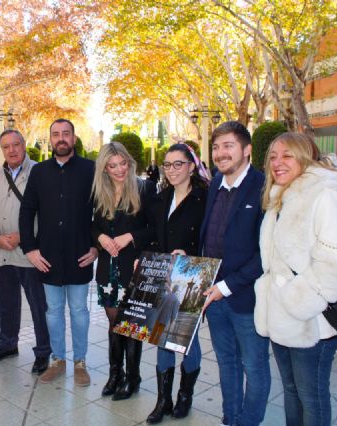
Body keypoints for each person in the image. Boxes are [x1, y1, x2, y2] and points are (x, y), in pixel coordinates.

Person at [254, 132, 337, 425]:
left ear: (305, 156)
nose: (277, 162)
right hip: (282, 315)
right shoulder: (280, 195)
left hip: (313, 320)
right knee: (291, 391)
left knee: (311, 396)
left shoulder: (326, 192)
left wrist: (297, 300)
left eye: (287, 155)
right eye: (273, 156)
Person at [200, 121, 270, 426]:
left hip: (247, 300)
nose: (220, 153)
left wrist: (227, 286)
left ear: (247, 149)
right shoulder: (215, 183)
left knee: (255, 369)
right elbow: (211, 236)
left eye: (228, 146)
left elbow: (266, 254)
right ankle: (231, 419)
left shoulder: (264, 186)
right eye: (216, 147)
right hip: (214, 299)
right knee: (227, 363)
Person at [19, 118, 97, 387]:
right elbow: (27, 210)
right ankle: (57, 360)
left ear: (74, 138)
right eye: (56, 134)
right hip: (48, 257)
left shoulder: (90, 169)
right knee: (52, 311)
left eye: (66, 134)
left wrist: (96, 246)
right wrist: (29, 248)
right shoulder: (39, 172)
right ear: (49, 140)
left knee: (78, 311)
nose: (61, 138)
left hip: (80, 255)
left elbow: (103, 209)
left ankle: (80, 362)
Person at [144, 143, 208, 424]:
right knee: (162, 337)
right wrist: (143, 259)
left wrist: (191, 255)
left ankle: (184, 396)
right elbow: (152, 235)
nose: (171, 170)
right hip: (164, 276)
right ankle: (163, 400)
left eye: (178, 164)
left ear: (192, 166)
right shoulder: (160, 197)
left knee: (186, 341)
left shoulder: (205, 198)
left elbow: (211, 238)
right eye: (167, 165)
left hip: (192, 276)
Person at [0, 130, 51, 374]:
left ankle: (43, 351)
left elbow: (49, 212)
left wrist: (24, 236)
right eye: (6, 146)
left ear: (24, 145)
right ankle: (7, 345)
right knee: (6, 304)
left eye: (16, 144)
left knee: (38, 306)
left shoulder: (41, 173)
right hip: (2, 253)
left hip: (30, 254)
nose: (11, 150)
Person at [91, 142, 155, 400]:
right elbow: (91, 227)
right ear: (104, 168)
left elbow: (155, 228)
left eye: (123, 163)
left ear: (130, 162)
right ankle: (114, 374)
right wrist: (101, 239)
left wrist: (131, 236)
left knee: (132, 324)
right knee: (115, 323)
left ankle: (133, 378)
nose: (119, 170)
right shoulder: (98, 192)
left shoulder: (145, 188)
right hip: (108, 269)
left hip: (134, 267)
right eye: (112, 165)